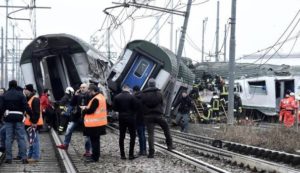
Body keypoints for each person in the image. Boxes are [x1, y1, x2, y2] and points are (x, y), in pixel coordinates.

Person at [140, 78, 173, 158]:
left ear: (148, 84)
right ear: (155, 84)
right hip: (158, 115)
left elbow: (141, 105)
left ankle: (151, 153)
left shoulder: (143, 94)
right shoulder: (159, 93)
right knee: (166, 128)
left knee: (150, 134)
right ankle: (170, 145)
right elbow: (163, 103)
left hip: (148, 116)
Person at [1, 80, 32, 164]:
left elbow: (1, 107)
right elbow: (26, 106)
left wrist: (2, 115)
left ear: (9, 85)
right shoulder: (21, 95)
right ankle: (24, 158)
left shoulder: (5, 95)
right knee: (21, 138)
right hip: (19, 118)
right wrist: (31, 114)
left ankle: (8, 158)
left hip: (8, 118)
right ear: (16, 85)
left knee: (8, 138)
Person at [57, 83, 92, 157]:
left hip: (86, 117)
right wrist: (75, 96)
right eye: (81, 87)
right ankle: (65, 144)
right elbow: (72, 104)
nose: (82, 89)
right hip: (76, 117)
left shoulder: (90, 96)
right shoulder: (77, 96)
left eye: (83, 87)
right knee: (69, 129)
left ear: (87, 88)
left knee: (87, 135)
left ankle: (88, 150)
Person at [81, 84, 107, 163]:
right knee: (96, 141)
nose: (89, 92)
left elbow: (91, 110)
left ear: (93, 90)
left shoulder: (96, 99)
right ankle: (96, 156)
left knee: (94, 141)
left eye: (90, 91)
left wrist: (84, 109)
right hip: (99, 123)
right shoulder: (101, 97)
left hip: (94, 124)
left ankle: (94, 157)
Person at [113, 85, 137, 160]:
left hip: (121, 118)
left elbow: (115, 108)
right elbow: (135, 108)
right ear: (128, 89)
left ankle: (122, 155)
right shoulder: (132, 97)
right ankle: (131, 154)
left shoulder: (117, 97)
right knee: (132, 136)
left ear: (123, 88)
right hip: (131, 118)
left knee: (121, 136)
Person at [23, 84, 43, 163]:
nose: (24, 91)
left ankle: (35, 157)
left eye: (25, 89)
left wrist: (34, 122)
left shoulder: (35, 99)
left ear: (29, 90)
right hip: (29, 123)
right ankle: (30, 155)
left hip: (33, 123)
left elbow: (36, 112)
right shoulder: (29, 98)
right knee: (31, 140)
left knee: (34, 140)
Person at [133, 85, 147, 156]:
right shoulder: (144, 96)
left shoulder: (135, 98)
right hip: (144, 118)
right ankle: (144, 150)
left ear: (134, 91)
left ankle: (142, 151)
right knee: (143, 134)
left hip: (138, 118)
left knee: (140, 135)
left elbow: (134, 109)